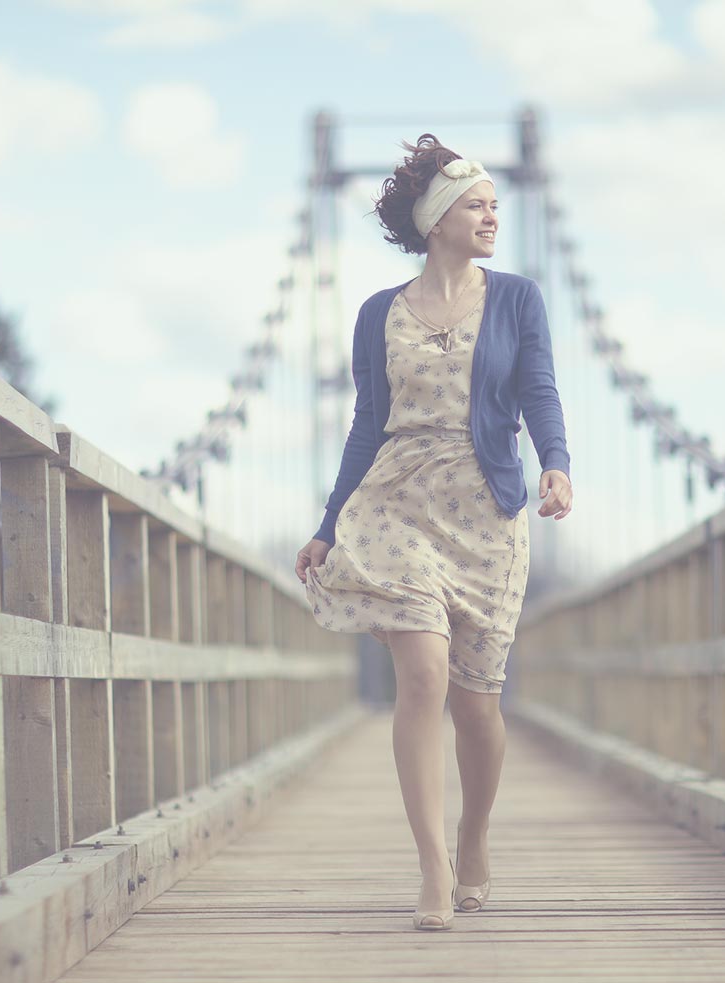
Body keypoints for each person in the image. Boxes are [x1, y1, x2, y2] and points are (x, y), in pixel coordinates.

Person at [294, 133, 574, 931]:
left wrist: (554, 462)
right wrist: (326, 527)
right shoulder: (377, 314)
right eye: (478, 204)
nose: (493, 215)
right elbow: (365, 426)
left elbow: (539, 391)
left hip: (486, 510)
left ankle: (474, 837)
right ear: (438, 219)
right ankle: (434, 867)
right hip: (396, 505)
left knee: (478, 704)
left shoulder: (517, 298)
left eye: (494, 204)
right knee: (421, 674)